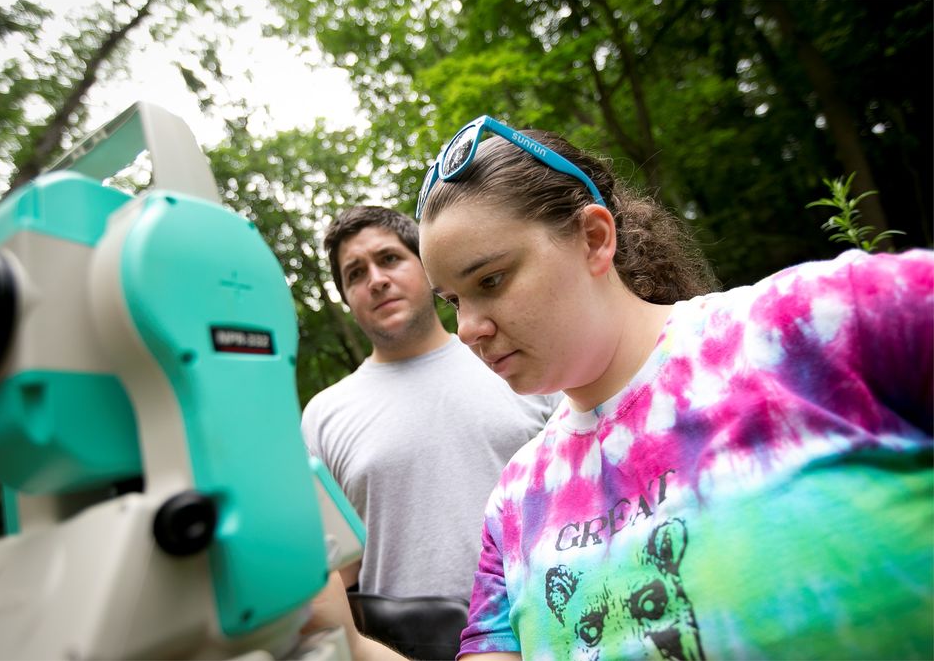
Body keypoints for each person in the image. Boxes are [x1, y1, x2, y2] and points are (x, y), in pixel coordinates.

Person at [312, 116, 933, 660]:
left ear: (593, 239)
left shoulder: (812, 327)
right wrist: (354, 648)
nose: (469, 327)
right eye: (454, 300)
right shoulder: (515, 501)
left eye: (492, 280)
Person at [301, 205, 558, 610]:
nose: (377, 280)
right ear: (347, 299)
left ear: (426, 267)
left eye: (389, 259)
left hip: (554, 622)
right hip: (403, 648)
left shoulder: (514, 354)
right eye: (355, 274)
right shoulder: (323, 415)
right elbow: (336, 565)